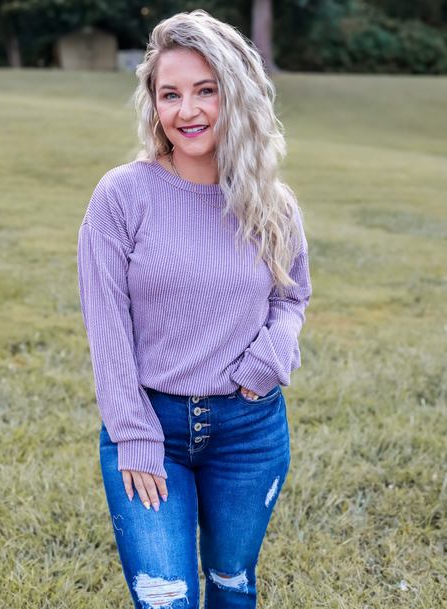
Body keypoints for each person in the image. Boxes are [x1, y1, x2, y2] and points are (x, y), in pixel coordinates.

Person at [77, 9, 312, 609]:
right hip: (150, 425)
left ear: (235, 95)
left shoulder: (271, 204)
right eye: (170, 94)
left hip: (249, 431)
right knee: (167, 598)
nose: (189, 111)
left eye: (206, 91)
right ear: (154, 105)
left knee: (233, 587)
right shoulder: (121, 197)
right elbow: (107, 330)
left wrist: (265, 363)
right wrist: (132, 434)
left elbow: (291, 296)